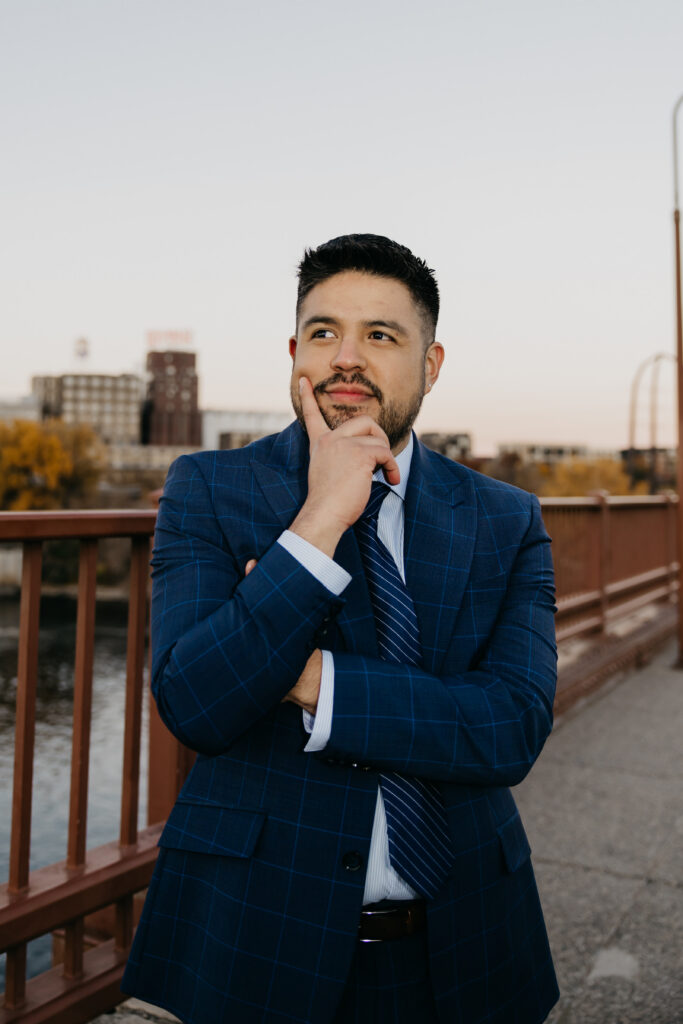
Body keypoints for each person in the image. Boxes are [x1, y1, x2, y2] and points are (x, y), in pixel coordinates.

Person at [122, 234, 559, 1023]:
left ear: (430, 366)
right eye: (324, 333)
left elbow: (510, 727)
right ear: (293, 352)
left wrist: (309, 678)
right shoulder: (209, 490)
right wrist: (320, 517)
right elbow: (195, 703)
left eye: (380, 336)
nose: (345, 359)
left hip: (465, 941)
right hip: (255, 934)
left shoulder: (505, 519)